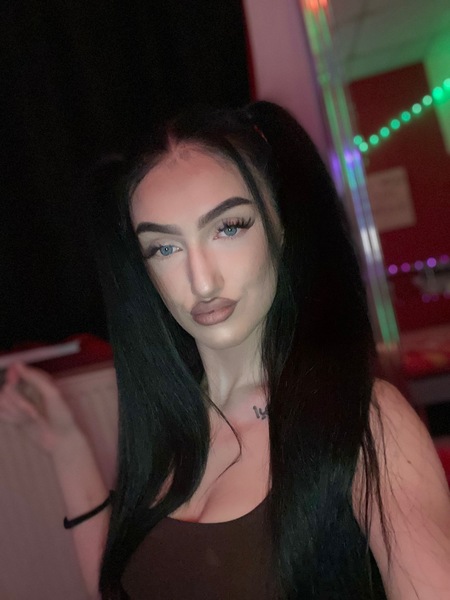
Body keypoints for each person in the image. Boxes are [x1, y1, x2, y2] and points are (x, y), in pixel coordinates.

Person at [1, 101, 450, 600]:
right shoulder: (171, 423)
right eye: (164, 248)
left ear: (281, 226)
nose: (201, 280)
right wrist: (66, 447)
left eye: (229, 227)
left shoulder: (364, 421)